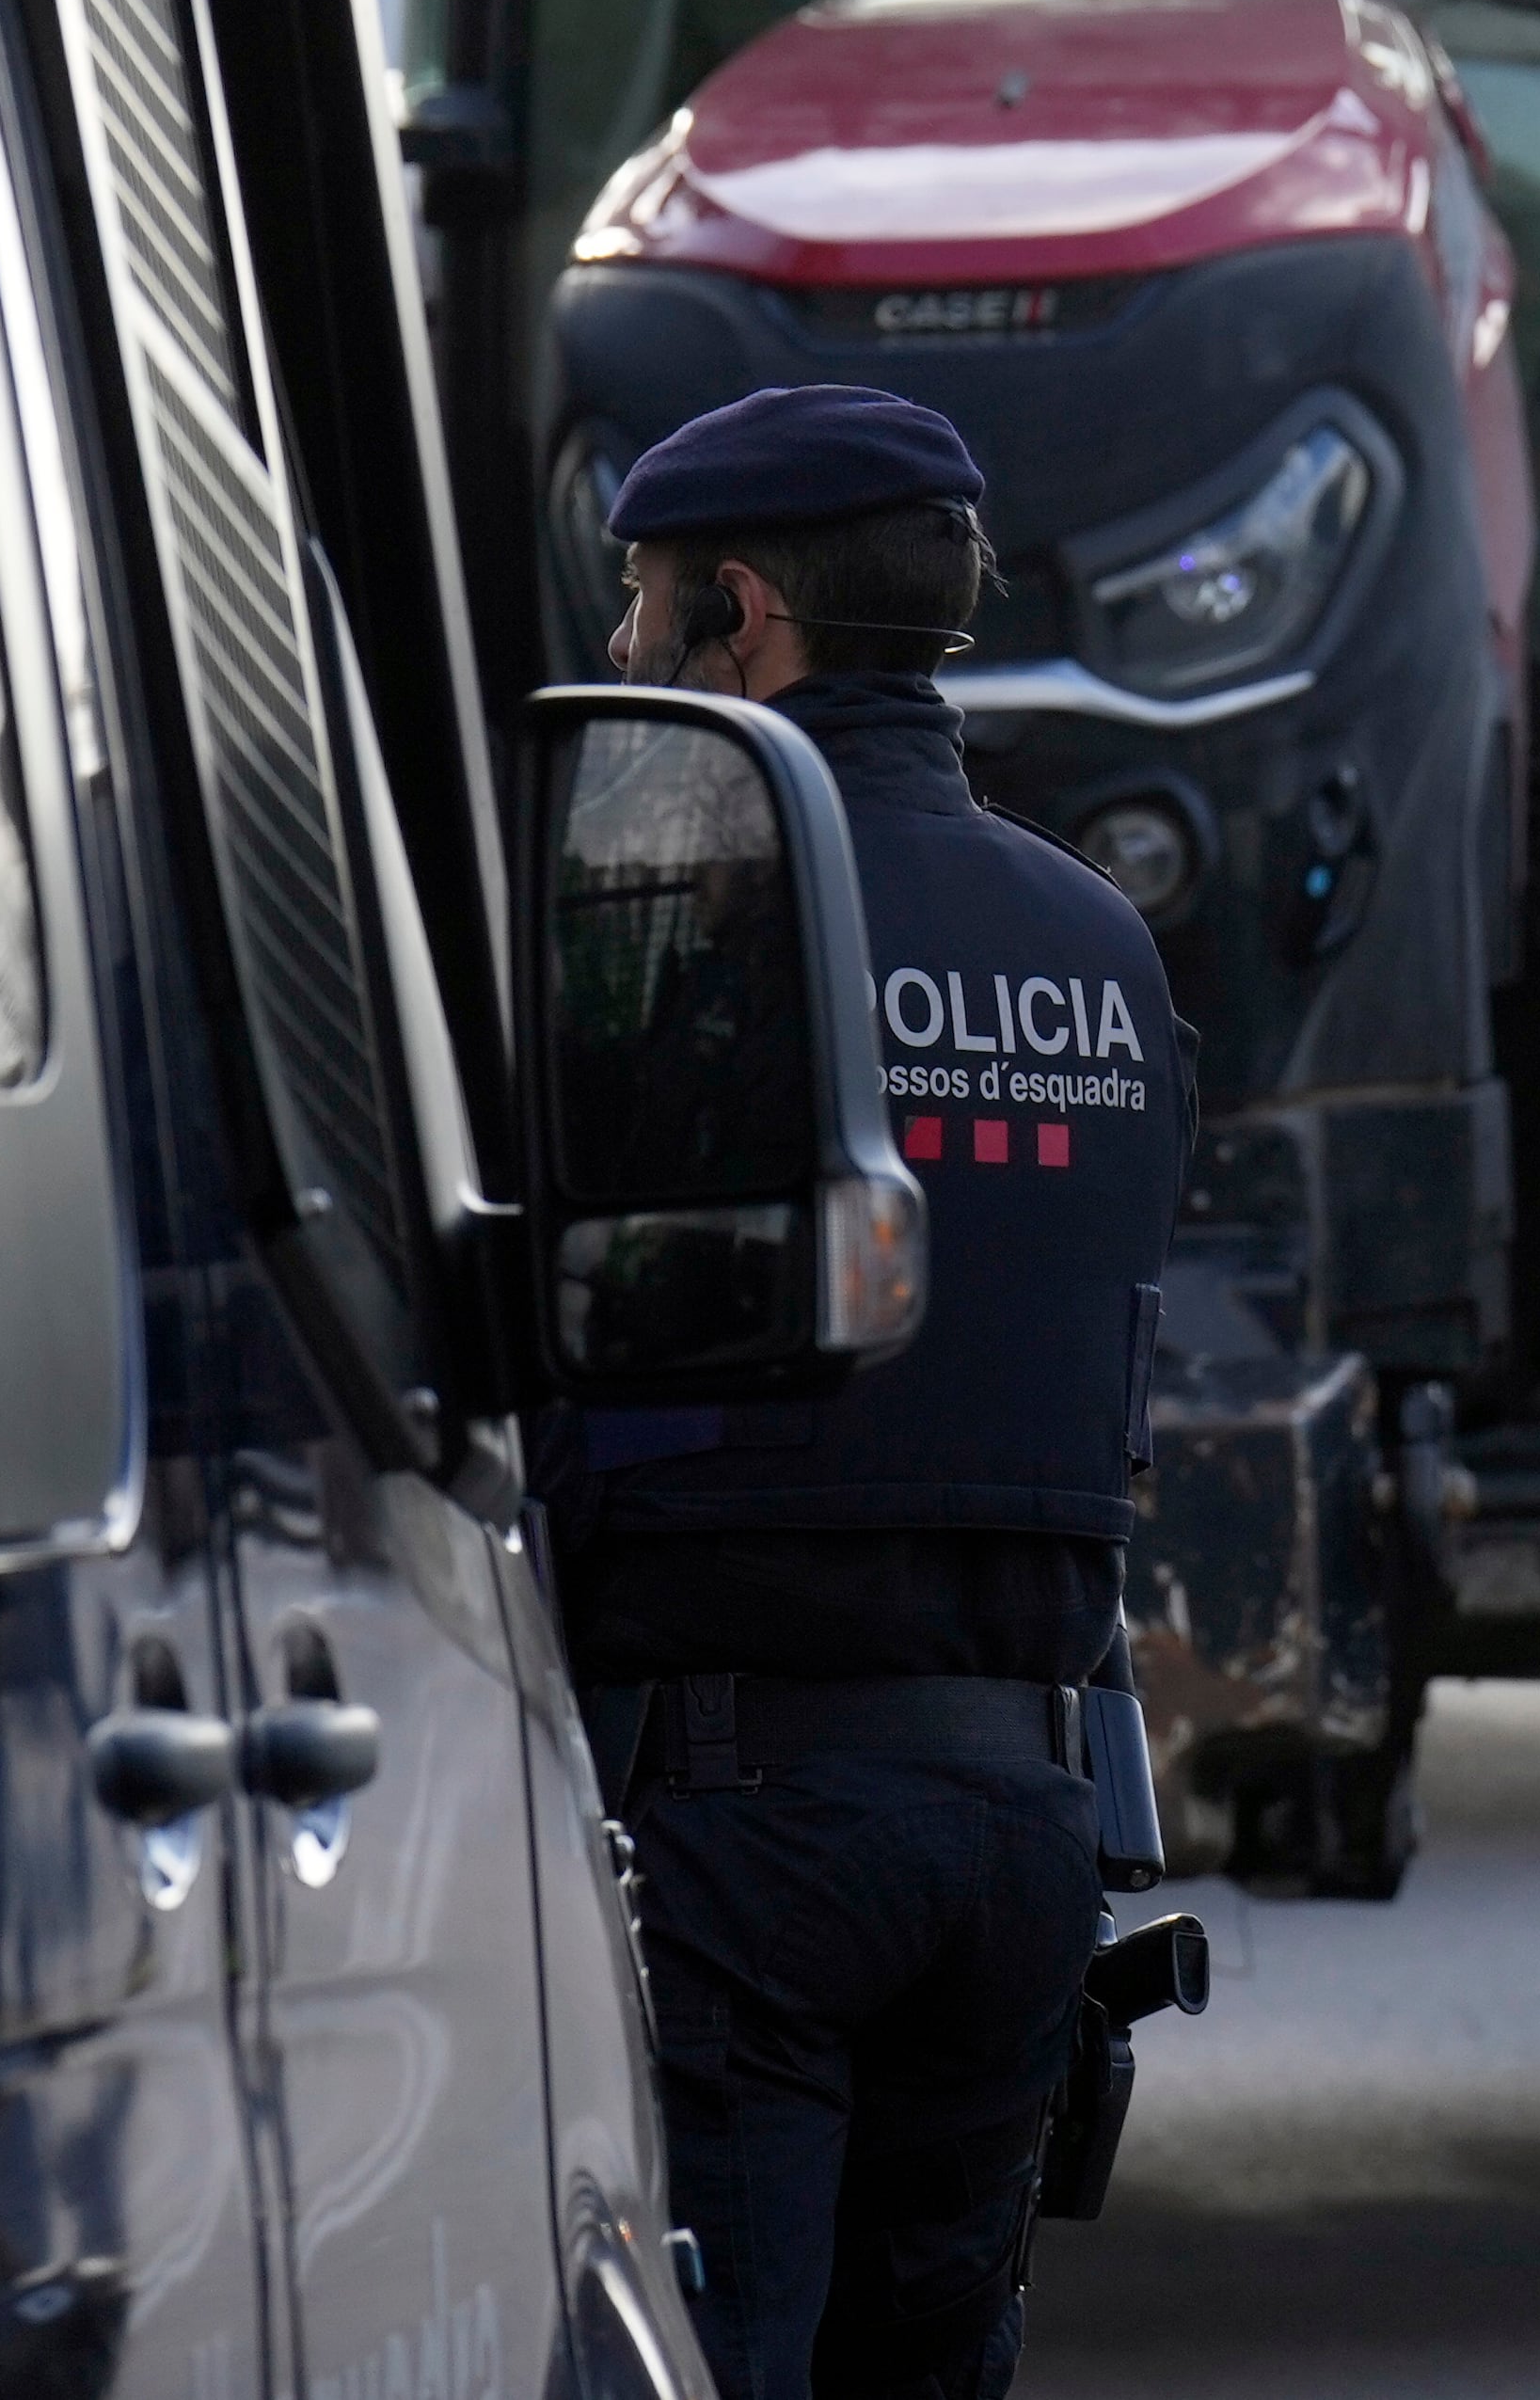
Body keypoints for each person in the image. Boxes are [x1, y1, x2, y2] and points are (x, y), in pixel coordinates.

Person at [537, 383, 1185, 2400]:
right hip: (1022, 1823)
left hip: (747, 1816)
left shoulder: (660, 906)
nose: (627, 652)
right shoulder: (1099, 940)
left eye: (646, 608)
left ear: (746, 611)